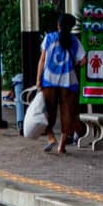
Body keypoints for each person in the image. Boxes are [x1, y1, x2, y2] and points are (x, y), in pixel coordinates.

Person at [37, 13, 84, 153]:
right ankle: (62, 145)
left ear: (58, 25)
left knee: (48, 111)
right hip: (68, 81)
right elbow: (84, 61)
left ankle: (51, 137)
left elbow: (42, 60)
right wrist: (72, 64)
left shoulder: (49, 38)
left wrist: (38, 79)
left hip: (49, 79)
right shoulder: (74, 40)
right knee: (67, 113)